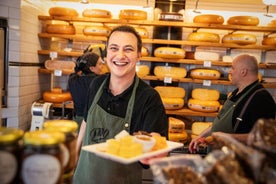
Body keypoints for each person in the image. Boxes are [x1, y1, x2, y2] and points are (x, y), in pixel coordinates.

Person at [73, 25, 168, 184]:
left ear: (139, 55)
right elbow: (86, 121)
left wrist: (154, 149)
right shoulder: (96, 85)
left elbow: (157, 146)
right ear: (106, 54)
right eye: (114, 48)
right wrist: (74, 157)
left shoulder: (148, 98)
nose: (120, 55)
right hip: (83, 178)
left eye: (128, 49)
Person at [189, 54, 276, 153]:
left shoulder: (261, 98)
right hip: (221, 156)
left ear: (243, 72)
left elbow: (263, 137)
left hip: (239, 161)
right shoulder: (235, 93)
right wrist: (200, 137)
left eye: (233, 68)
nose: (230, 71)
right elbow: (218, 122)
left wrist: (228, 137)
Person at [67, 52, 104, 131]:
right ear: (92, 68)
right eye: (100, 64)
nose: (103, 66)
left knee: (79, 142)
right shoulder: (100, 81)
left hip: (78, 120)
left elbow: (76, 71)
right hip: (93, 121)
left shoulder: (72, 79)